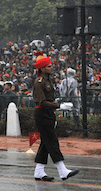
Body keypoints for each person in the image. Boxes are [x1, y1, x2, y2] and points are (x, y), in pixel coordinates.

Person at [32, 53, 79, 181]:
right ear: (42, 68)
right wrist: (58, 106)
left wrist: (56, 105)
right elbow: (42, 102)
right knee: (52, 141)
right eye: (48, 66)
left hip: (48, 113)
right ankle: (62, 170)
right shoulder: (39, 82)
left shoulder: (49, 81)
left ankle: (39, 171)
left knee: (46, 142)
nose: (51, 67)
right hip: (42, 113)